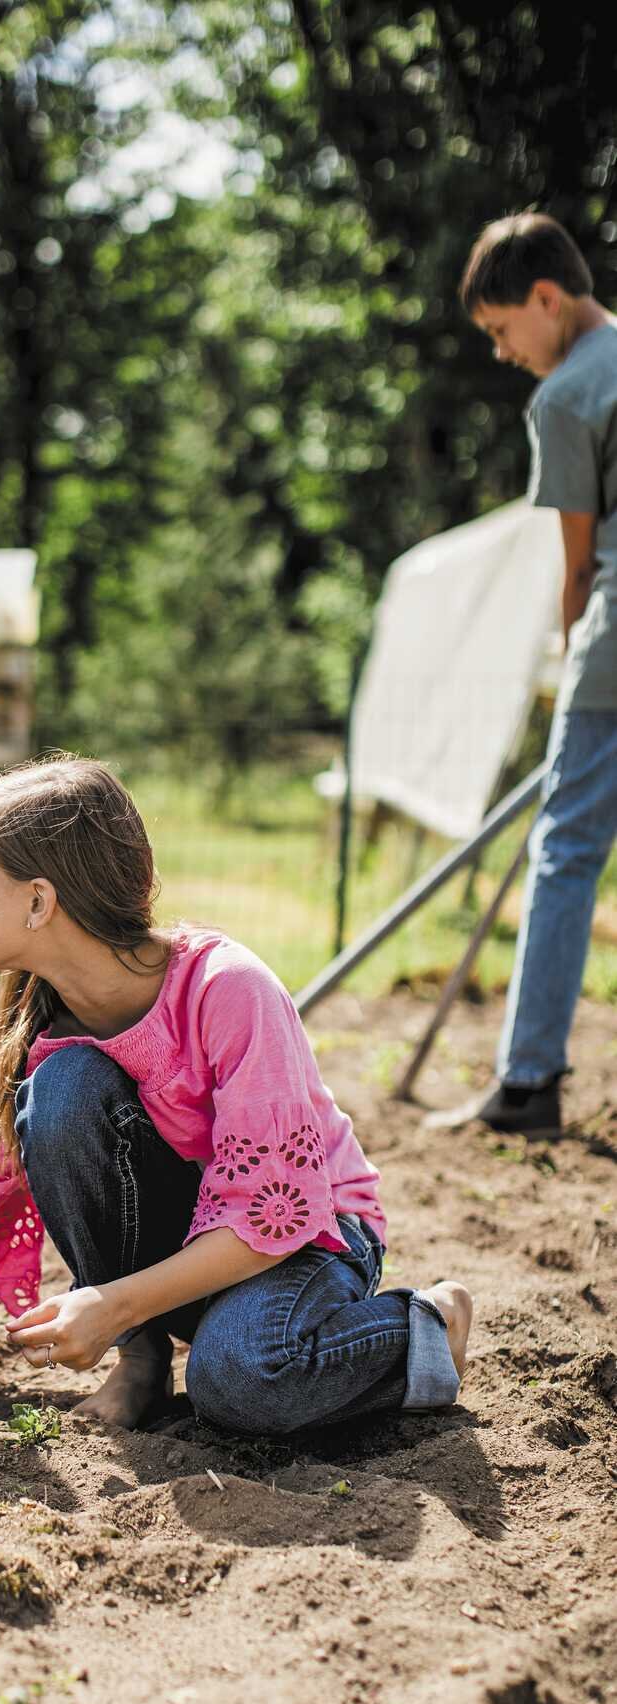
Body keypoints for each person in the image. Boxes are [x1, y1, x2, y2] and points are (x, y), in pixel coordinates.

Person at [0, 758, 471, 1435]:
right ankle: (144, 1364)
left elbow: (270, 1215)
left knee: (241, 1381)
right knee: (64, 1090)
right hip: (190, 1261)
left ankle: (424, 1324)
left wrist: (110, 1304)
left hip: (309, 1241)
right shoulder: (43, 1027)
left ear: (39, 901)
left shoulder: (228, 990)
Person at [438, 212, 617, 1138]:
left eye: (504, 330)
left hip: (613, 651)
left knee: (567, 851)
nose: (505, 352)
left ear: (547, 298)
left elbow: (578, 566)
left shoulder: (566, 395)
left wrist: (567, 655)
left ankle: (527, 1082)